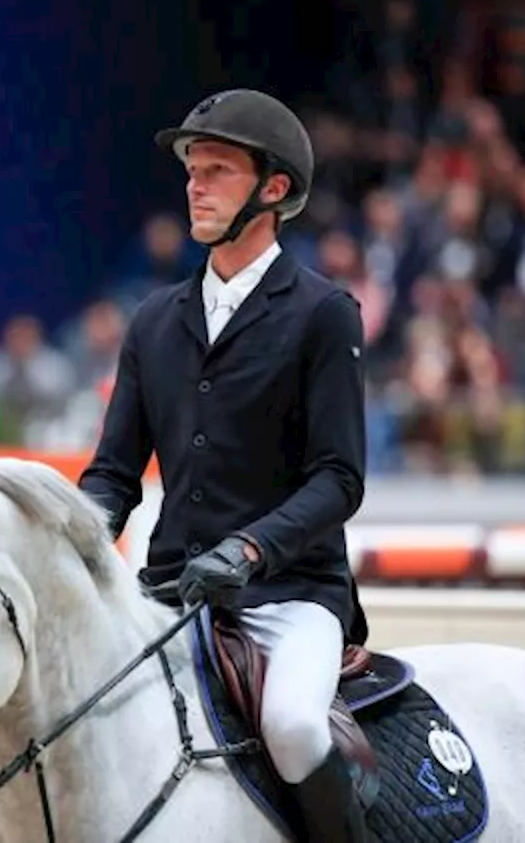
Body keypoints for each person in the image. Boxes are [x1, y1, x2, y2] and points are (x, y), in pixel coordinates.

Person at [78, 89, 370, 842]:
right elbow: (114, 474)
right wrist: (74, 537)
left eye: (216, 171)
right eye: (191, 172)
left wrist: (246, 549)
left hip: (287, 596)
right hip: (171, 590)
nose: (195, 187)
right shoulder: (153, 320)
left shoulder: (322, 313)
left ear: (273, 190)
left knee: (297, 729)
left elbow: (339, 479)